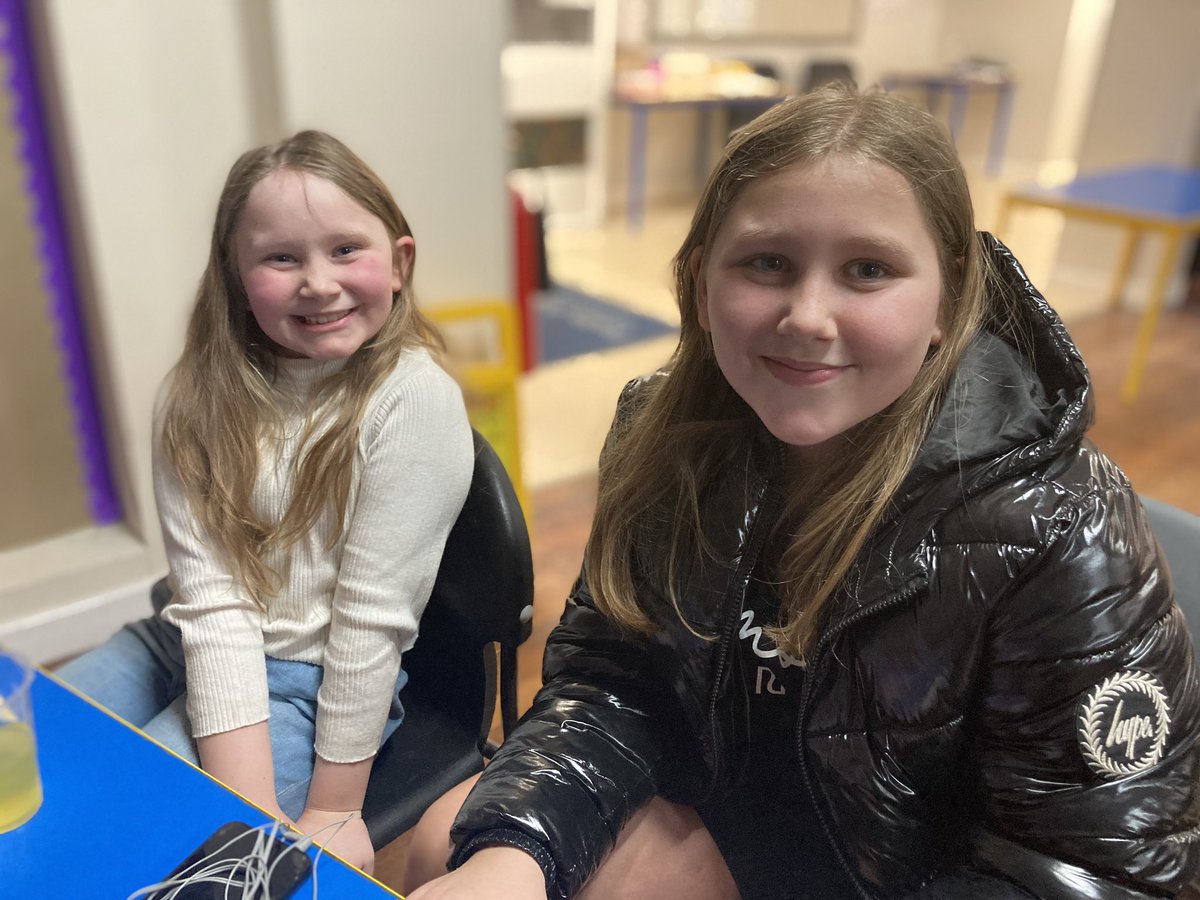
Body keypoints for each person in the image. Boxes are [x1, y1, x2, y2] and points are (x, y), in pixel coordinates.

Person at [403, 86, 1200, 899]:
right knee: (453, 847)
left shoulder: (1061, 527)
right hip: (717, 810)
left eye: (868, 270)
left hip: (889, 876)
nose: (808, 316)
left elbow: (1097, 872)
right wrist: (516, 856)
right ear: (700, 275)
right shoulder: (658, 435)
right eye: (768, 264)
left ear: (949, 299)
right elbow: (615, 680)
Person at [57, 130, 474, 873]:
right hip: (181, 639)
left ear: (401, 264)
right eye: (282, 258)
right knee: (37, 747)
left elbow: (368, 626)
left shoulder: (414, 401)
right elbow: (212, 607)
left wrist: (331, 809)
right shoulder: (192, 396)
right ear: (236, 279)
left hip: (312, 681)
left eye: (346, 249)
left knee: (120, 837)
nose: (319, 282)